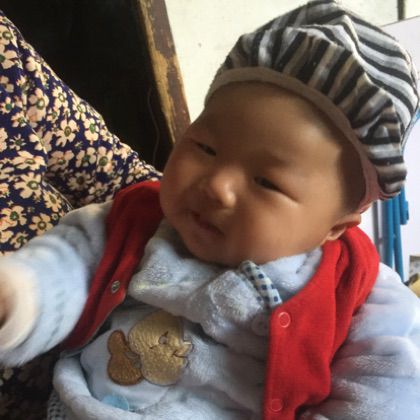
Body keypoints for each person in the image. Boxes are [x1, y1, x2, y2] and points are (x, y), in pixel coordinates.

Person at [0, 0, 420, 419]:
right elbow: (71, 261)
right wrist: (20, 296)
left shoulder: (361, 291)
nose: (217, 185)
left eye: (267, 182)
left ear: (335, 227)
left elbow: (387, 390)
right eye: (205, 147)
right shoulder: (139, 220)